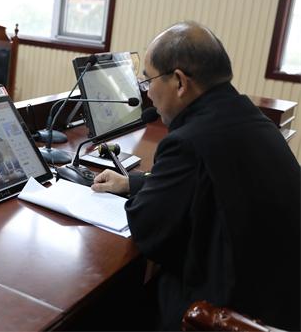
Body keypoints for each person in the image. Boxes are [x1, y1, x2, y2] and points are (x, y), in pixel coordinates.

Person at [91, 21, 300, 330]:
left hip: (226, 314)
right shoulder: (250, 119)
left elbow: (149, 231)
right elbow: (212, 185)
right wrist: (133, 183)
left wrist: (145, 197)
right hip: (282, 302)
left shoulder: (187, 142)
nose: (148, 93)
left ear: (179, 81)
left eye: (147, 80)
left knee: (109, 308)